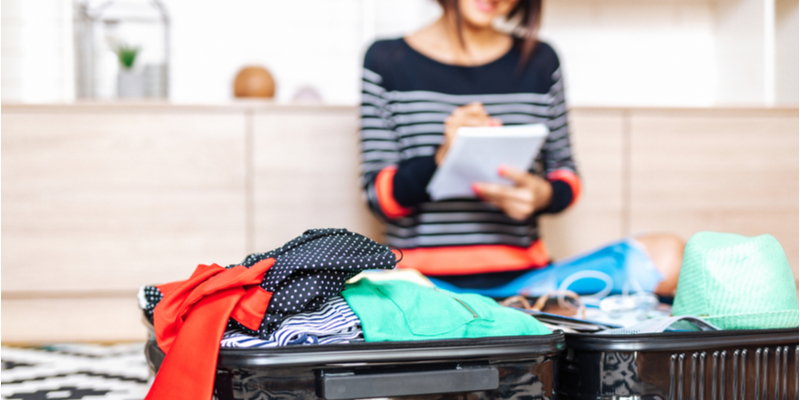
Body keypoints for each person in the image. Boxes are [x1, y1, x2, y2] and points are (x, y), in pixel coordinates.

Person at [359, 0, 683, 298]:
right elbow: (378, 197)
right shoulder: (386, 60)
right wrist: (442, 158)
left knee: (668, 255)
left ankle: (507, 317)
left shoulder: (541, 61)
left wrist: (541, 195)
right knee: (355, 286)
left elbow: (566, 174)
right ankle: (512, 321)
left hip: (528, 283)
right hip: (422, 284)